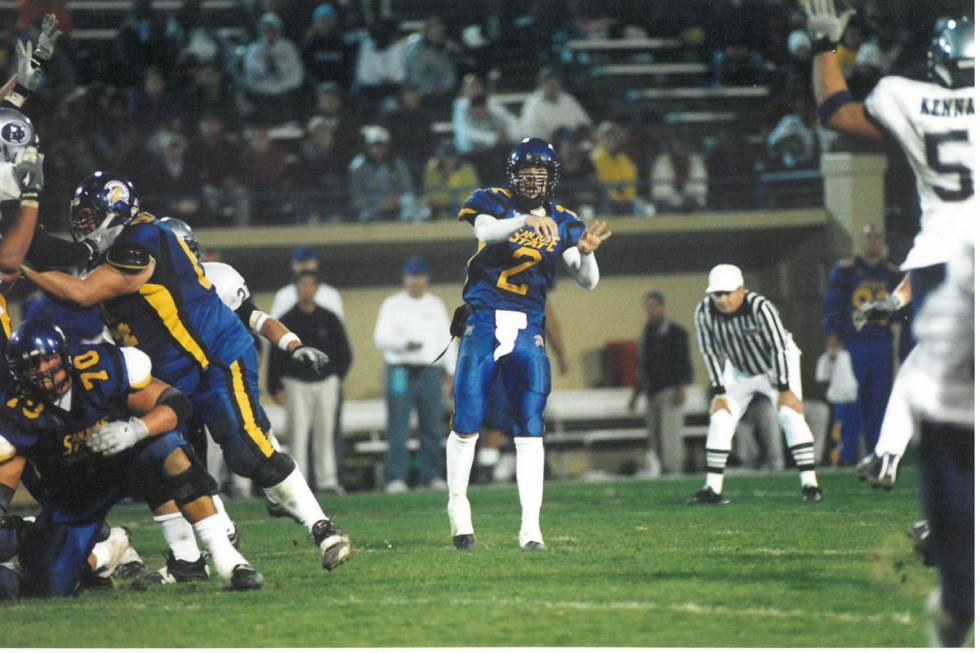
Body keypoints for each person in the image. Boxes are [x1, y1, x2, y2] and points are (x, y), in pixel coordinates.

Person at [20, 173, 352, 575]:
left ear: (116, 209)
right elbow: (72, 274)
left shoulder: (143, 242)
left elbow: (83, 293)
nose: (84, 228)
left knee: (248, 451)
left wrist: (18, 265)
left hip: (213, 360)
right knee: (168, 462)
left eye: (91, 217)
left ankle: (323, 528)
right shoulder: (120, 248)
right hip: (171, 375)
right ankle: (192, 559)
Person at [804, 8, 974, 487]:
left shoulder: (908, 98)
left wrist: (824, 48)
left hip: (939, 255)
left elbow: (836, 111)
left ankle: (889, 454)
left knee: (928, 362)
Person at [0, 320, 262, 596]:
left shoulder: (99, 367)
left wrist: (135, 430)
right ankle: (106, 551)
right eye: (32, 365)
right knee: (47, 588)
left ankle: (229, 560)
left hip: (123, 462)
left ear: (64, 355)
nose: (43, 371)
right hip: (74, 495)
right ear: (19, 374)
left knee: (167, 446)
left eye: (47, 359)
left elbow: (175, 403)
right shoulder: (15, 411)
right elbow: (6, 475)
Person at [446, 137, 612, 551]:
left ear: (551, 178)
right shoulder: (494, 203)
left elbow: (588, 281)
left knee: (530, 426)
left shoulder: (564, 220)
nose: (534, 183)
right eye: (527, 175)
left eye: (540, 176)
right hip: (484, 319)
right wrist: (522, 222)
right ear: (513, 176)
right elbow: (485, 229)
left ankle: (531, 529)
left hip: (528, 325)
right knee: (467, 418)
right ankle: (458, 509)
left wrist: (587, 253)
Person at [158, 217, 333, 498]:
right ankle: (213, 521)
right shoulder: (142, 291)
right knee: (186, 457)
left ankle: (286, 495)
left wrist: (293, 345)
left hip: (221, 374)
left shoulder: (218, 279)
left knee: (252, 435)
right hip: (178, 379)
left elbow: (255, 317)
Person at [690, 263, 822, 504]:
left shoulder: (761, 307)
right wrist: (719, 391)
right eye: (717, 294)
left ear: (742, 290)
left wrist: (784, 388)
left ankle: (810, 484)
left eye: (727, 293)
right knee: (721, 417)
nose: (722, 299)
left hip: (774, 367)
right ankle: (712, 488)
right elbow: (709, 351)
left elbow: (779, 347)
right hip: (739, 369)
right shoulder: (704, 312)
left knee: (790, 415)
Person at [821, 224, 901, 464]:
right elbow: (832, 308)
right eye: (868, 237)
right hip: (853, 345)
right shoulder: (846, 271)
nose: (873, 242)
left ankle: (876, 457)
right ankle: (845, 458)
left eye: (877, 237)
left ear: (883, 242)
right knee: (849, 404)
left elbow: (901, 312)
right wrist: (832, 341)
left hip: (881, 345)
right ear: (861, 241)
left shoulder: (892, 273)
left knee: (879, 403)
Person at [374, 257, 454, 493]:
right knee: (398, 425)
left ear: (426, 279)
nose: (416, 282)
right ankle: (396, 477)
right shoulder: (392, 305)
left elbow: (447, 340)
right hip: (400, 370)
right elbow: (381, 339)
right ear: (404, 278)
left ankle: (431, 475)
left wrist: (451, 371)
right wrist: (403, 344)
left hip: (430, 372)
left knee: (431, 425)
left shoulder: (435, 305)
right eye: (411, 276)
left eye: (419, 277)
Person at [269, 271, 351, 494]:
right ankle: (299, 483)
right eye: (302, 285)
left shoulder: (329, 318)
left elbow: (344, 353)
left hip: (325, 383)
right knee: (298, 434)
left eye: (310, 285)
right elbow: (276, 356)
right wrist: (274, 386)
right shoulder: (286, 320)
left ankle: (327, 481)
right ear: (296, 288)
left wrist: (335, 377)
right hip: (296, 384)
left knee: (325, 433)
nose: (306, 289)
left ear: (316, 288)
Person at [628, 291, 693, 476]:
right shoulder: (647, 333)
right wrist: (636, 394)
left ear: (663, 307)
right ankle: (660, 471)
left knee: (670, 436)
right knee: (655, 437)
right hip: (652, 391)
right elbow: (643, 366)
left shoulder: (675, 332)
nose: (651, 311)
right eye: (648, 308)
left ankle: (673, 470)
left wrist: (681, 387)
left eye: (654, 307)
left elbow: (682, 361)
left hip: (670, 389)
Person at [241, 12, 304, 125]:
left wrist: (279, 83)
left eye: (272, 28)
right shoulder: (253, 49)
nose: (269, 32)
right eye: (266, 29)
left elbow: (297, 74)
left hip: (284, 94)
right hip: (261, 96)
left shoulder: (289, 47)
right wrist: (264, 82)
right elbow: (250, 75)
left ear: (279, 29)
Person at [270, 247, 345, 322]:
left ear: (315, 263)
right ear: (293, 265)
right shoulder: (283, 295)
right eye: (300, 262)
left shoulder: (331, 294)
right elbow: (275, 326)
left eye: (308, 262)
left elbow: (338, 326)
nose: (304, 266)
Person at [518, 67, 592, 142]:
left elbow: (585, 123)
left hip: (575, 143)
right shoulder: (533, 105)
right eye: (550, 85)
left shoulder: (568, 100)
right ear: (542, 85)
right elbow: (532, 134)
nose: (554, 87)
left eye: (556, 84)